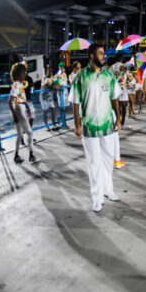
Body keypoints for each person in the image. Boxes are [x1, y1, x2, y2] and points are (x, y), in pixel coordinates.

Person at [69, 44, 121, 212]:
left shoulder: (109, 75)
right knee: (94, 163)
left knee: (107, 158)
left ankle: (108, 190)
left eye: (104, 54)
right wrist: (77, 123)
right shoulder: (81, 77)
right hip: (89, 127)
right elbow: (75, 102)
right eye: (100, 53)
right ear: (91, 56)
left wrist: (118, 117)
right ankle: (97, 197)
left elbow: (115, 97)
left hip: (107, 125)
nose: (103, 56)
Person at [9, 63, 36, 163]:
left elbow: (20, 99)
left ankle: (16, 156)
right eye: (23, 72)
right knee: (30, 133)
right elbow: (10, 100)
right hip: (18, 110)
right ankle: (31, 155)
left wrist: (27, 107)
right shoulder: (16, 84)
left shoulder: (19, 84)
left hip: (20, 109)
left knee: (20, 134)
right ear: (18, 74)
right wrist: (15, 115)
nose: (25, 74)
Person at [40, 66, 59, 131]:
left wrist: (53, 85)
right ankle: (46, 125)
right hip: (44, 96)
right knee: (45, 111)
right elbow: (45, 86)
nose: (50, 72)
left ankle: (53, 123)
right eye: (49, 71)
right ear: (46, 71)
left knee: (53, 109)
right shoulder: (44, 77)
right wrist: (52, 85)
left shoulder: (53, 77)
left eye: (51, 71)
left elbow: (56, 85)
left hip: (50, 96)